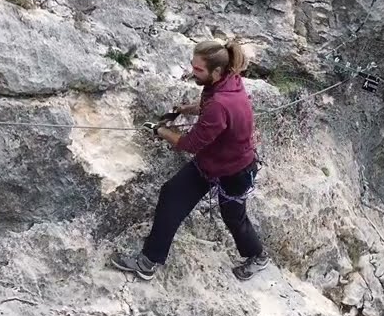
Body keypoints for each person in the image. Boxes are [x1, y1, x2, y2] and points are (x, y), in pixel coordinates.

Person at [111, 38, 271, 281]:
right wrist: (187, 109)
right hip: (214, 162)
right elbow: (210, 104)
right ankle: (148, 261)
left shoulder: (220, 103)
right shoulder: (228, 81)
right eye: (192, 65)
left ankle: (258, 256)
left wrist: (159, 130)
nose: (192, 72)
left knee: (233, 217)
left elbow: (189, 144)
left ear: (216, 71)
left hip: (235, 170)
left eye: (198, 69)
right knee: (172, 194)